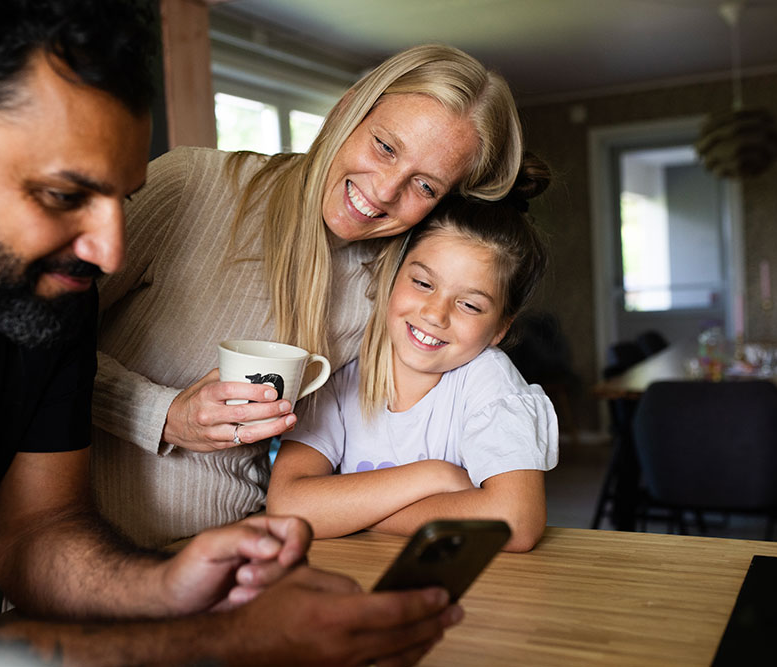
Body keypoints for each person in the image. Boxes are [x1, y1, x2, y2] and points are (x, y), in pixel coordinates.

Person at [0, 1, 460, 664]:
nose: (109, 252)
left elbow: (36, 529)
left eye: (122, 197)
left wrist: (168, 582)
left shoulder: (50, 289)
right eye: (63, 195)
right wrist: (228, 641)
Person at [92, 43, 527, 548]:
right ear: (347, 108)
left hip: (250, 556)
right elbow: (31, 351)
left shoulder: (394, 288)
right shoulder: (192, 186)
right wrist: (163, 416)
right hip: (95, 553)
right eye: (386, 147)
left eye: (425, 186)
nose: (385, 190)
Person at [266, 161, 559, 552]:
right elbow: (286, 506)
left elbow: (516, 522)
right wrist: (433, 475)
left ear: (501, 328)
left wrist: (349, 513)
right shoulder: (340, 372)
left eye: (470, 305)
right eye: (422, 283)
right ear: (392, 275)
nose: (435, 314)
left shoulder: (489, 382)